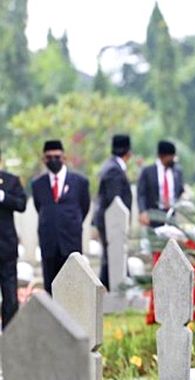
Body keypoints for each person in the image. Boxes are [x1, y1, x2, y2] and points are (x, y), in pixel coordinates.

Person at [31, 140, 90, 293]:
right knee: (50, 285)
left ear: (64, 157)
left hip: (71, 241)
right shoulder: (38, 184)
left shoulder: (80, 182)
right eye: (48, 157)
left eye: (57, 156)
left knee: (73, 285)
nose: (53, 160)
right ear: (43, 160)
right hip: (49, 242)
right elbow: (40, 207)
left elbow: (84, 206)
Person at [94, 134, 133, 290]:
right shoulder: (114, 171)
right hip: (112, 223)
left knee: (110, 258)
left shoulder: (112, 167)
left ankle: (106, 288)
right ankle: (112, 288)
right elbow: (114, 201)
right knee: (113, 256)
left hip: (110, 222)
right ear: (128, 152)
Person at [0, 147, 26, 328]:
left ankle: (10, 332)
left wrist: (2, 197)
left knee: (9, 293)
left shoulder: (10, 181)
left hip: (5, 246)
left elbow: (21, 204)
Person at [137, 141, 184, 228]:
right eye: (171, 156)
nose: (173, 159)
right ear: (162, 156)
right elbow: (141, 194)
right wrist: (142, 211)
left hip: (171, 215)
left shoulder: (177, 172)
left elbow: (180, 190)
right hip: (153, 215)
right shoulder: (148, 172)